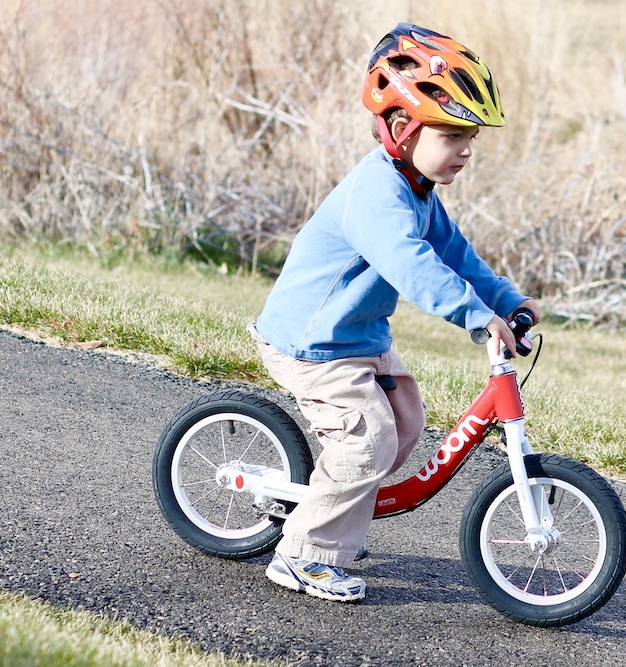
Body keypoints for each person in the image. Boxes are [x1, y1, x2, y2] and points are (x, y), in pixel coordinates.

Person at [248, 22, 540, 602]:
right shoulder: (377, 194)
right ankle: (303, 554)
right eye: (452, 134)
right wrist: (473, 314)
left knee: (404, 422)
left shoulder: (418, 189)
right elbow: (412, 265)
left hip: (357, 338)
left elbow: (455, 255)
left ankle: (336, 515)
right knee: (366, 440)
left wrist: (505, 299)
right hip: (313, 344)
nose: (466, 149)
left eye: (470, 136)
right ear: (403, 127)